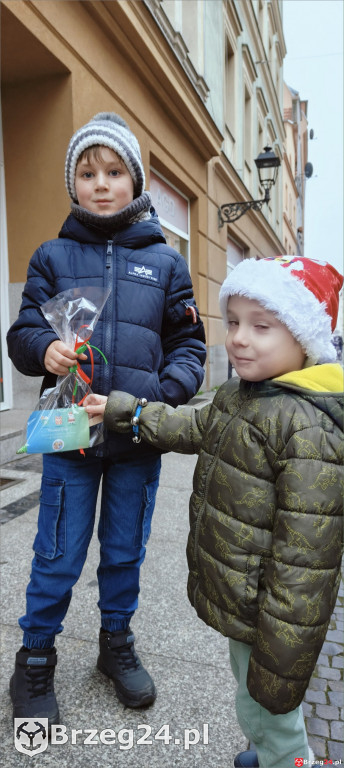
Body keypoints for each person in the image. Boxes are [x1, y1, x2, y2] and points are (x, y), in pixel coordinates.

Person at [85, 256, 343, 768]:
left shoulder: (308, 430)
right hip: (243, 603)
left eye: (261, 326)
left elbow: (305, 565)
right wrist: (126, 411)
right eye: (234, 323)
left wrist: (282, 656)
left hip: (271, 620)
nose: (240, 339)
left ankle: (290, 761)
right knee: (250, 697)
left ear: (304, 339)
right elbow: (193, 429)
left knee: (273, 709)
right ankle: (268, 751)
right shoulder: (242, 395)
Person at [7, 112, 206, 724]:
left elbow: (190, 348)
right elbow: (22, 331)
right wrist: (45, 347)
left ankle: (114, 643)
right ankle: (35, 660)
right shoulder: (53, 255)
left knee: (123, 551)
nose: (100, 183)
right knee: (58, 553)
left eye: (114, 171)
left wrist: (155, 402)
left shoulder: (167, 263)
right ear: (74, 184)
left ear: (135, 179)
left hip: (136, 440)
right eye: (87, 172)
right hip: (70, 441)